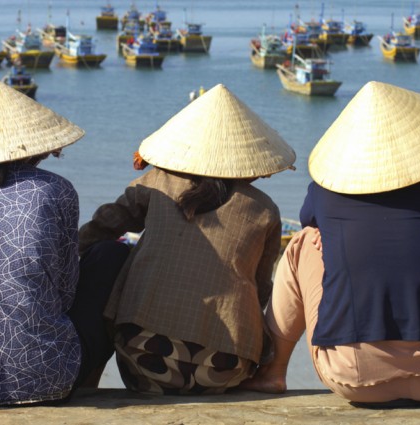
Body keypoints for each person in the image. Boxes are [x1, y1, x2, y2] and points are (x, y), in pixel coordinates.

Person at [241, 81, 420, 403]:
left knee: (303, 242)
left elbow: (311, 223)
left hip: (351, 376)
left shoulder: (325, 192)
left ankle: (273, 372)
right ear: (418, 144)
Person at [0, 77, 128, 408]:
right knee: (110, 254)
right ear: (35, 144)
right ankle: (86, 382)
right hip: (41, 379)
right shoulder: (54, 190)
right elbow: (64, 293)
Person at [78, 83, 296, 395]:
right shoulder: (264, 209)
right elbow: (261, 290)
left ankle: (88, 378)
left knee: (109, 253)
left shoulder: (158, 182)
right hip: (225, 371)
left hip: (143, 362)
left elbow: (100, 227)